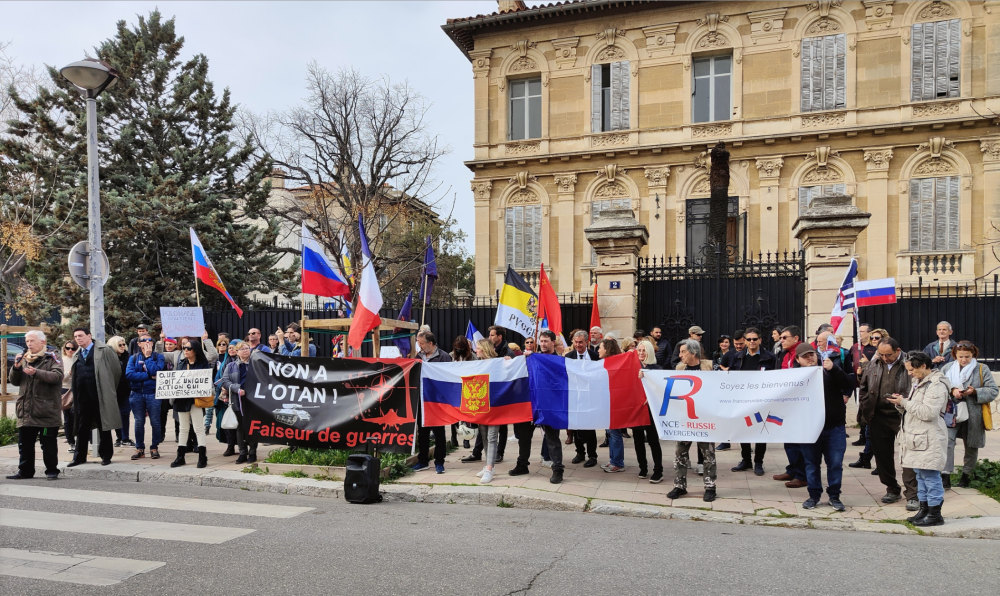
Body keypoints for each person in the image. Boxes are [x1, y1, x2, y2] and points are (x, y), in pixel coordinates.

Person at [887, 351, 950, 527]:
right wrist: (901, 404)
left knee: (930, 476)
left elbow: (928, 413)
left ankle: (935, 513)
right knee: (921, 476)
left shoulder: (936, 385)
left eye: (911, 370)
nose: (909, 374)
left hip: (929, 438)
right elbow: (916, 409)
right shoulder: (920, 382)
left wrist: (905, 403)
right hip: (919, 437)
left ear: (923, 366)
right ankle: (924, 510)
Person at [859, 338, 918, 509]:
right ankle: (892, 489)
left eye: (889, 355)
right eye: (882, 354)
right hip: (878, 415)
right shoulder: (873, 363)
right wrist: (865, 405)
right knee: (882, 455)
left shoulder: (910, 363)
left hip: (903, 414)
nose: (885, 358)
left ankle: (912, 494)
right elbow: (863, 386)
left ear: (898, 350)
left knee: (908, 454)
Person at [796, 343, 853, 511]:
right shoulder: (793, 377)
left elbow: (849, 383)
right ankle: (814, 495)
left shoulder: (829, 371)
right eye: (805, 356)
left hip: (833, 426)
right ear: (798, 359)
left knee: (835, 463)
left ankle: (834, 496)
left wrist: (834, 369)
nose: (809, 358)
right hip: (809, 428)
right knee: (811, 464)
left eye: (812, 354)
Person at [6, 330, 63, 480]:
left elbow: (57, 376)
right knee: (25, 444)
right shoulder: (24, 358)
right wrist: (16, 368)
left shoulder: (53, 357)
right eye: (27, 342)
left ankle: (51, 470)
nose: (29, 344)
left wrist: (36, 372)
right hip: (26, 409)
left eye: (32, 341)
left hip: (46, 410)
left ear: (42, 342)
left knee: (48, 444)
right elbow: (15, 382)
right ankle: (25, 471)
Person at [940, 341, 997, 489]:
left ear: (973, 355)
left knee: (971, 445)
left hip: (974, 414)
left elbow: (993, 390)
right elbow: (939, 388)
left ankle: (966, 475)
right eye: (960, 356)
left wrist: (975, 391)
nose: (964, 360)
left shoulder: (981, 368)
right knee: (947, 442)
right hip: (951, 412)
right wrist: (952, 391)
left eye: (967, 356)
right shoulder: (947, 368)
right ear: (955, 355)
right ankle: (945, 475)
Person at [510, 331, 565, 484]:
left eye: (546, 341)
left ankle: (557, 470)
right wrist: (512, 361)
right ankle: (522, 465)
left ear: (553, 342)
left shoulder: (559, 361)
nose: (543, 344)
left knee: (552, 439)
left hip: (549, 406)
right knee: (524, 437)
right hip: (530, 404)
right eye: (541, 341)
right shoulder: (532, 358)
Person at [667, 339, 718, 502]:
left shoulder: (710, 367)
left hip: (705, 418)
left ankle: (710, 487)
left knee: (708, 454)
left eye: (683, 352)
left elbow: (724, 384)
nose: (680, 355)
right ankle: (680, 486)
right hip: (685, 418)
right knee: (680, 453)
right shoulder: (679, 368)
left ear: (693, 353)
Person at [68, 327, 122, 466]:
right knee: (82, 427)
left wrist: (109, 389)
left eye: (80, 335)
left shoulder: (105, 350)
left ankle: (106, 456)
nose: (78, 339)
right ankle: (79, 457)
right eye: (75, 336)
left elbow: (116, 372)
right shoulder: (76, 354)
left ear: (89, 336)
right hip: (82, 398)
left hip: (100, 395)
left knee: (104, 426)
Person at [728, 327, 777, 476]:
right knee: (744, 431)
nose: (751, 342)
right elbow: (730, 376)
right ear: (745, 340)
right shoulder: (737, 357)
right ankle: (746, 460)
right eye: (748, 339)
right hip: (743, 400)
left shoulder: (770, 358)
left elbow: (776, 378)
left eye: (754, 339)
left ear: (760, 340)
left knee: (760, 432)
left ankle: (758, 462)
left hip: (762, 401)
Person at [773, 325, 807, 488]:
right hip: (786, 403)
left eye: (785, 337)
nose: (781, 340)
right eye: (780, 338)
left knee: (799, 441)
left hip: (800, 403)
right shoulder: (783, 355)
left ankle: (802, 474)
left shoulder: (804, 354)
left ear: (796, 338)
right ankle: (792, 469)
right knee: (788, 439)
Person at [169, 338, 212, 468]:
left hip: (196, 400)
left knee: (199, 428)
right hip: (182, 400)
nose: (185, 350)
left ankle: (202, 456)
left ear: (195, 351)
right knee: (183, 428)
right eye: (184, 348)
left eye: (188, 348)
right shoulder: (181, 363)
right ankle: (180, 456)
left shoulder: (203, 365)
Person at [413, 331, 451, 474]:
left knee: (439, 433)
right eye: (418, 343)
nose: (420, 346)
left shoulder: (443, 357)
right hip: (422, 400)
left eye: (422, 343)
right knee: (422, 433)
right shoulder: (419, 357)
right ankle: (422, 460)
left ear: (430, 343)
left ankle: (439, 461)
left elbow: (448, 378)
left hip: (437, 401)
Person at [472, 338, 506, 484]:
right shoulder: (477, 364)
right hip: (481, 405)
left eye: (478, 348)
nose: (475, 350)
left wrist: (508, 361)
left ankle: (489, 469)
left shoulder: (498, 363)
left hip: (495, 405)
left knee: (492, 437)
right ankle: (489, 466)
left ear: (485, 349)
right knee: (484, 436)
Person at [125, 336, 165, 460]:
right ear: (139, 344)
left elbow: (156, 371)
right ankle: (139, 448)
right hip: (136, 393)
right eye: (144, 341)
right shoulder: (134, 358)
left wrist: (148, 357)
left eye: (150, 340)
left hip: (152, 393)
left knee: (155, 422)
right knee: (139, 422)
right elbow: (129, 374)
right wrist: (148, 375)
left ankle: (154, 447)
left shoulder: (158, 357)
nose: (147, 342)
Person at [565, 330, 599, 465]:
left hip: (591, 397)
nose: (578, 345)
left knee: (590, 427)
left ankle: (592, 456)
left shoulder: (595, 356)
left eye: (580, 342)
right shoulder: (569, 356)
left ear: (586, 342)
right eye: (575, 342)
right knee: (576, 425)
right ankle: (580, 453)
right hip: (575, 397)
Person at [633, 340, 664, 483]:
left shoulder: (657, 369)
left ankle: (658, 470)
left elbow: (660, 389)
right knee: (638, 440)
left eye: (643, 350)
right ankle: (643, 468)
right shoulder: (632, 367)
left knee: (653, 441)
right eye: (638, 350)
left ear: (649, 352)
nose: (640, 353)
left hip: (651, 411)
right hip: (636, 409)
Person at [221, 341, 257, 463]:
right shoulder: (231, 366)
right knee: (240, 427)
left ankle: (253, 452)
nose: (245, 350)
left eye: (247, 348)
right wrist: (236, 389)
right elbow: (225, 380)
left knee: (252, 426)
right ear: (237, 352)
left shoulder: (255, 364)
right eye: (241, 349)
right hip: (238, 399)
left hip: (252, 400)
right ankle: (243, 452)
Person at [599, 338, 628, 473]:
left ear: (607, 349)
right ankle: (613, 460)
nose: (598, 350)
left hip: (615, 403)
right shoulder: (603, 363)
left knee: (615, 433)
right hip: (607, 402)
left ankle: (618, 462)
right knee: (610, 432)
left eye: (600, 347)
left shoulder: (616, 363)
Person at [850, 323, 878, 447]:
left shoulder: (874, 348)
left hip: (871, 383)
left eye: (862, 331)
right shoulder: (855, 347)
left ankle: (868, 435)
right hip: (858, 383)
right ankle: (862, 435)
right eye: (859, 331)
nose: (859, 334)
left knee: (867, 409)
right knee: (860, 410)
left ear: (869, 333)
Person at [107, 336, 135, 448]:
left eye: (124, 344)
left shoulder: (128, 357)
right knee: (116, 415)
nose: (123, 347)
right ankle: (119, 437)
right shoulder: (109, 358)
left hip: (126, 390)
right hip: (113, 390)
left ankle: (125, 437)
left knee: (125, 413)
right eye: (120, 345)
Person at [449, 336, 477, 448]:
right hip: (455, 388)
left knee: (466, 414)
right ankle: (453, 437)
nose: (459, 349)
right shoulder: (451, 356)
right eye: (457, 347)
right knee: (454, 414)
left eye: (461, 347)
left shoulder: (472, 356)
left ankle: (466, 438)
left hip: (468, 388)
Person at [59, 342, 76, 453]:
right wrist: (69, 373)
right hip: (65, 390)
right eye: (68, 348)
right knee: (68, 418)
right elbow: (59, 377)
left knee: (78, 417)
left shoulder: (78, 359)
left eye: (73, 348)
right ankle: (71, 441)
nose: (70, 350)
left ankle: (80, 440)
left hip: (77, 389)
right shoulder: (62, 361)